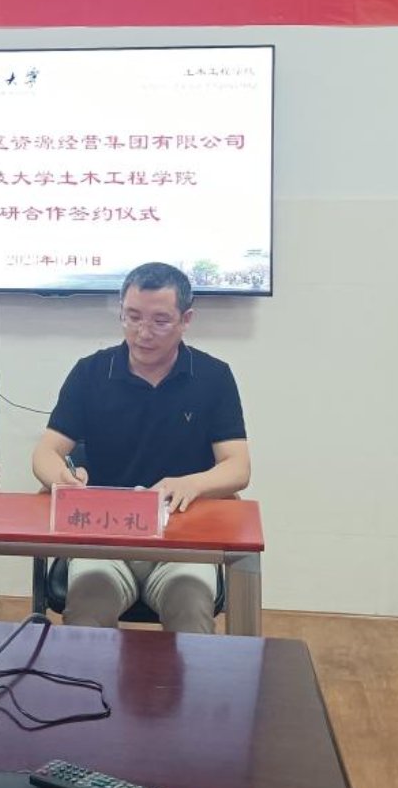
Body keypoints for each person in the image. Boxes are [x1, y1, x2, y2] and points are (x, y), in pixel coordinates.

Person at [31, 262, 250, 634]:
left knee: (191, 603)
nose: (143, 333)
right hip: (105, 537)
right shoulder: (91, 372)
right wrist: (62, 478)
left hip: (182, 538)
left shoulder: (213, 377)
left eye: (160, 321)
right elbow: (45, 453)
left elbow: (238, 467)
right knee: (86, 606)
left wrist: (193, 483)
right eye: (132, 317)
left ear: (186, 319)